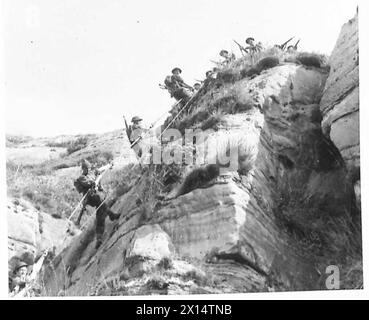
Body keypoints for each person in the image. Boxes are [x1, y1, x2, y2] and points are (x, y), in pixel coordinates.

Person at [74, 159, 120, 249]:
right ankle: (111, 215)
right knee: (100, 201)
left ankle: (99, 239)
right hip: (91, 197)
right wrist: (94, 182)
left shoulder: (93, 172)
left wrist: (109, 165)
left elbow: (101, 169)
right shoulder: (82, 177)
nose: (87, 169)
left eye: (88, 167)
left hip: (97, 196)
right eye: (85, 168)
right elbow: (89, 183)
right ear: (83, 169)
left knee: (100, 216)